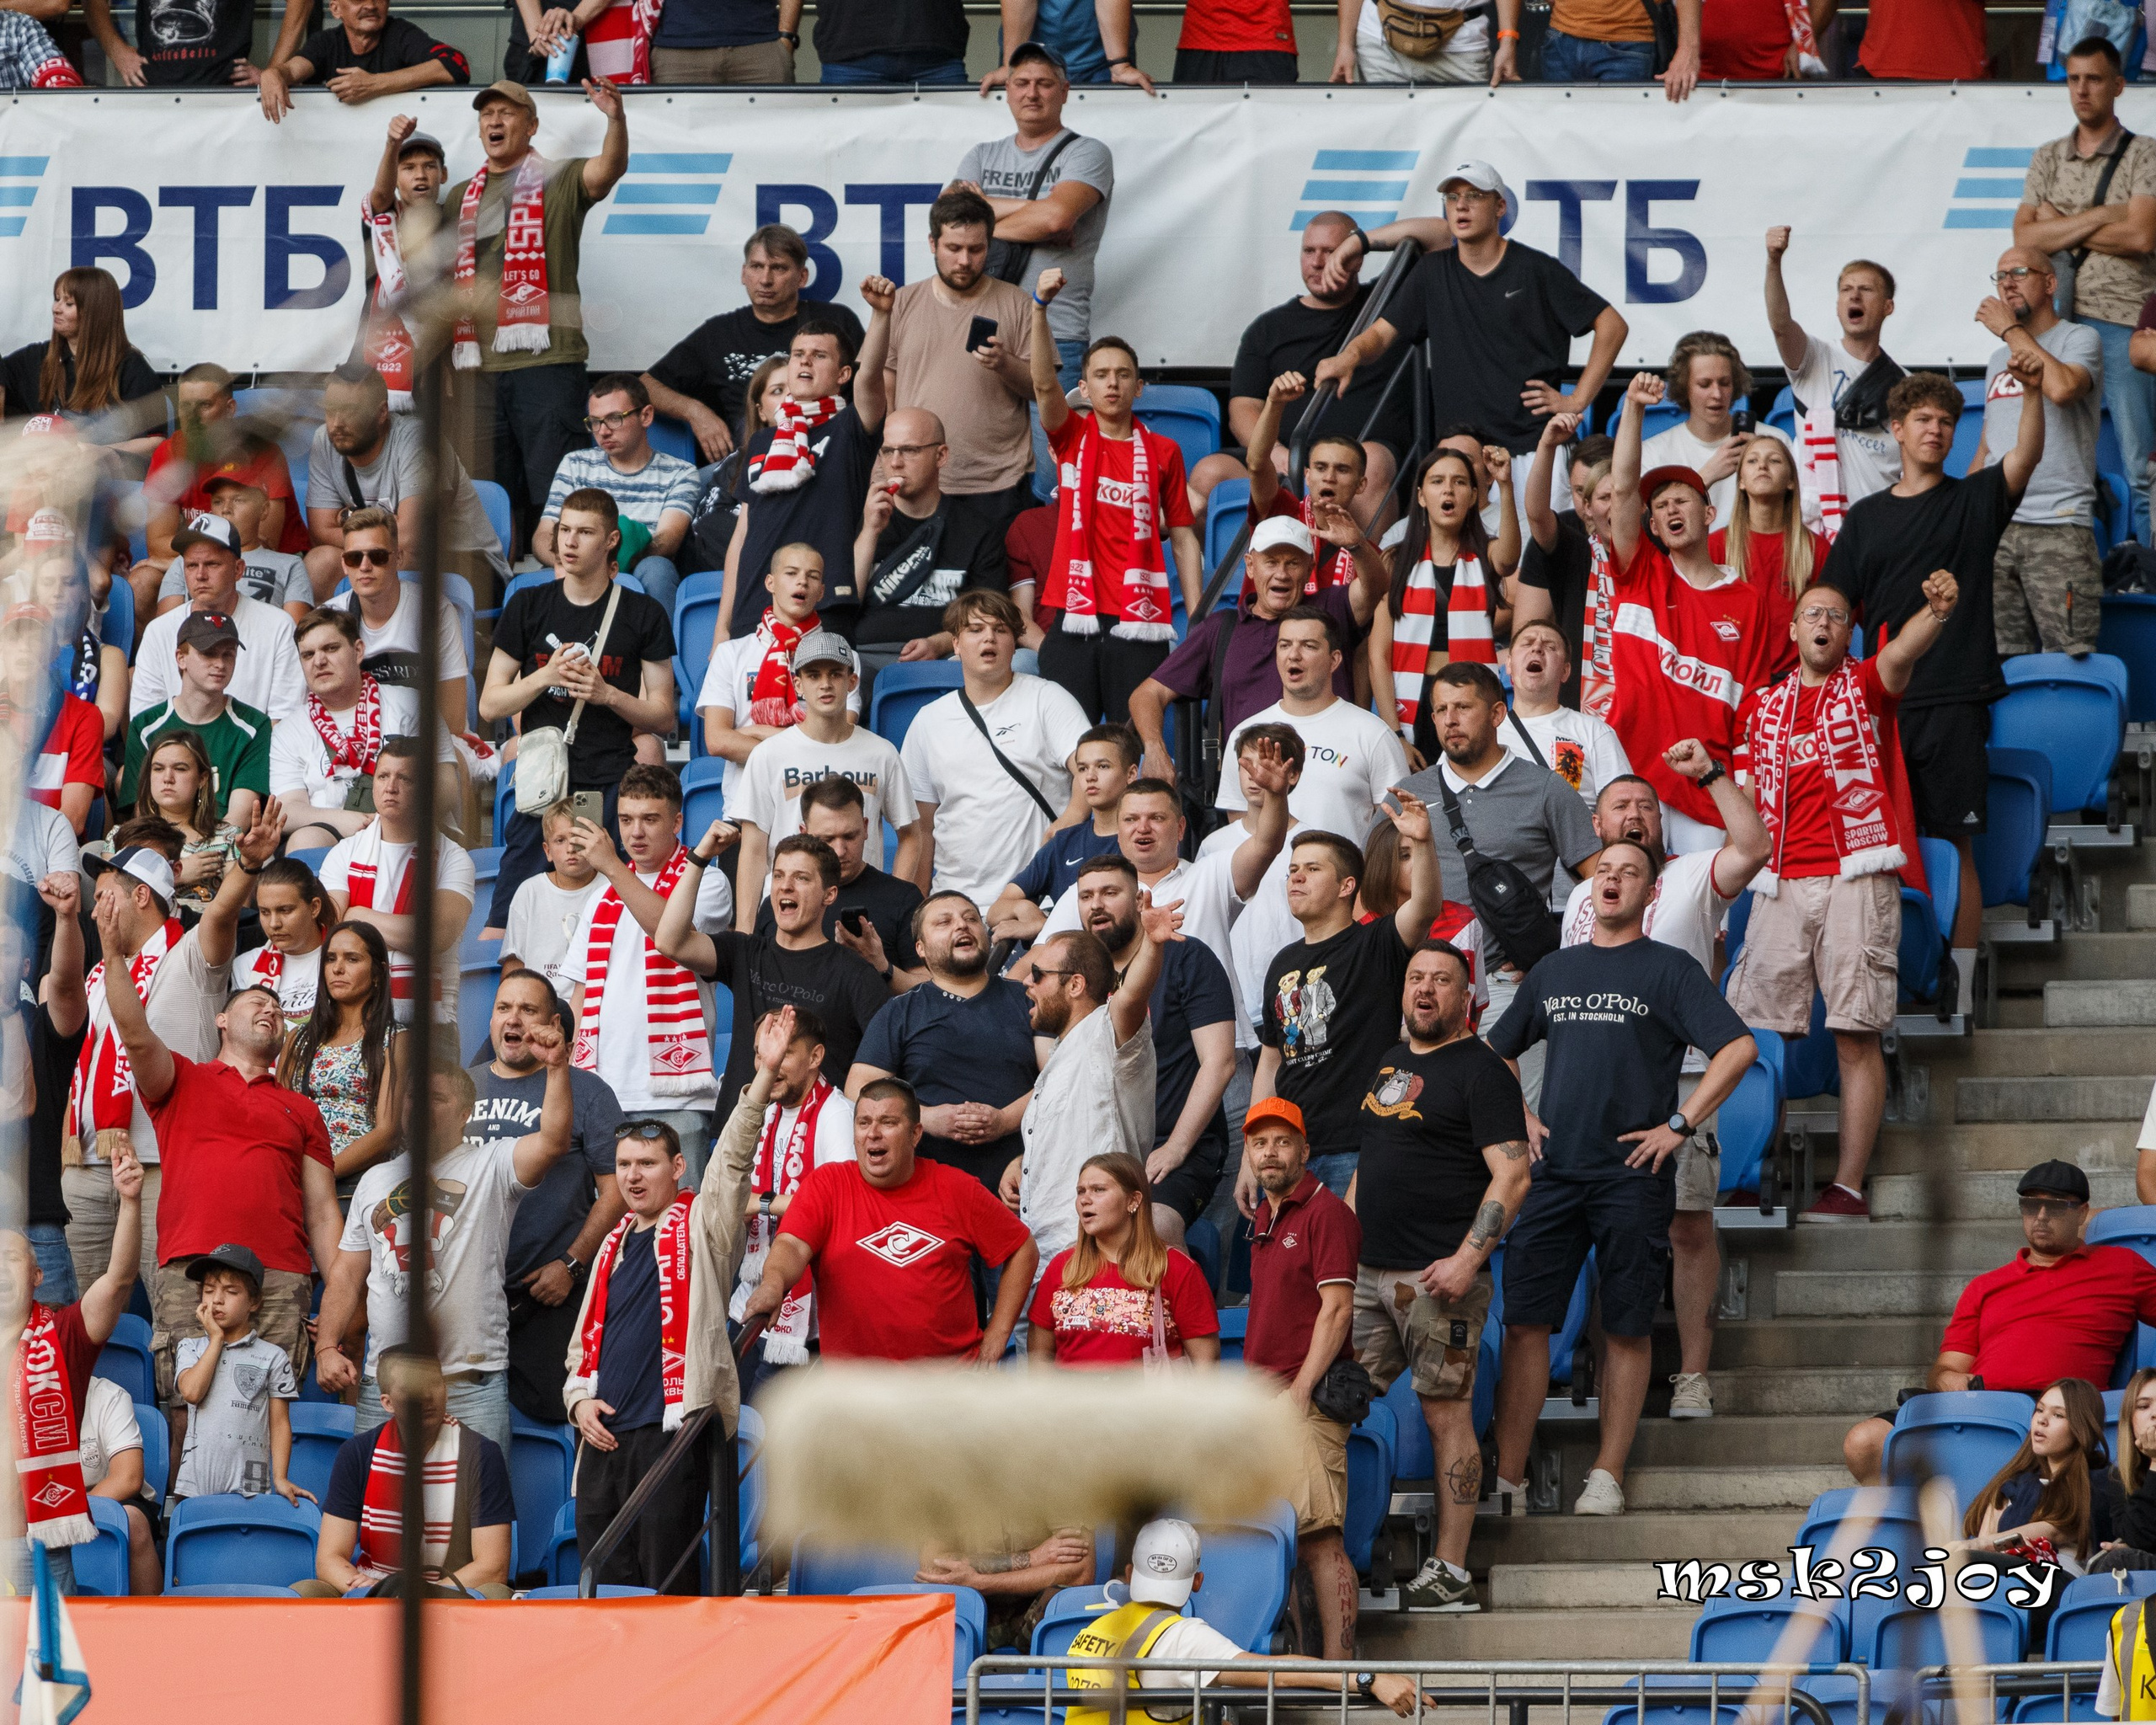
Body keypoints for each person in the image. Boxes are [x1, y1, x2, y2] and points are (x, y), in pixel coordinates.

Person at [1486, 840, 1755, 1517]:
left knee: (1628, 1327)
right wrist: (1521, 1116)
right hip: (1554, 1173)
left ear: (1649, 894)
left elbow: (1739, 1046)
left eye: (1628, 874)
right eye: (1603, 872)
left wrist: (1681, 1124)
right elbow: (1495, 1052)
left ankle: (1606, 1474)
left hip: (1633, 1174)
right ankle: (1509, 1481)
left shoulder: (1671, 970)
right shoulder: (1554, 969)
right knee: (1524, 1323)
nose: (1612, 881)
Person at [1729, 570, 1959, 1222]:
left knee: (1855, 1034)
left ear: (1844, 632)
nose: (1823, 621)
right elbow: (1748, 805)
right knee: (1757, 1036)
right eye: (1812, 614)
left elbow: (1899, 654)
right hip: (1779, 879)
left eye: (1834, 613)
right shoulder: (1762, 708)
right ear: (1796, 630)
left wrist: (1934, 613)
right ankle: (1749, 1173)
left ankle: (1848, 1187)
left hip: (1857, 872)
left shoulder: (1863, 686)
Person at [1558, 757, 1769, 1419]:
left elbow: (1756, 846)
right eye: (1620, 806)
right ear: (1596, 822)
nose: (1634, 815)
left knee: (1686, 1226)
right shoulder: (1581, 894)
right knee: (1591, 1226)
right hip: (1589, 1090)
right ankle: (1596, 1370)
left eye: (1646, 806)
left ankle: (1692, 1375)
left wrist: (1709, 776)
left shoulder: (1689, 874)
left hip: (1677, 1088)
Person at [1822, 369, 2044, 1001]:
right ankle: (1894, 972)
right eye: (1923, 419)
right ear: (1897, 430)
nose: (1936, 430)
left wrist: (2031, 395)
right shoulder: (1864, 519)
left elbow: (2024, 457)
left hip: (1956, 700)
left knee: (1955, 843)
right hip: (1881, 708)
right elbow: (1833, 608)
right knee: (1879, 849)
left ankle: (1962, 985)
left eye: (1946, 422)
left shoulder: (1975, 499)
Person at [96, 872, 344, 1411]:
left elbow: (324, 1215)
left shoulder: (301, 1108)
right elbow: (135, 1034)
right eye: (256, 1001)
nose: (270, 1008)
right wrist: (114, 956)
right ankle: (186, 1503)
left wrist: (342, 1301)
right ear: (221, 1019)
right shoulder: (182, 1079)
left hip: (280, 1277)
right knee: (186, 1413)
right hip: (191, 1270)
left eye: (277, 1008)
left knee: (271, 1420)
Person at [1351, 943, 1528, 1608]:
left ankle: (1450, 1571)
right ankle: (1337, 1544)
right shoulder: (1393, 1061)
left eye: (1442, 981)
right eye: (1416, 978)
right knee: (1332, 1403)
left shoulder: (1482, 1072)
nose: (1425, 990)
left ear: (1466, 998)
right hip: (1367, 1275)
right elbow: (1372, 1161)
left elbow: (1514, 1175)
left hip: (1436, 1280)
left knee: (1446, 1414)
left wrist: (1466, 1260)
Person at [562, 1017, 758, 1594]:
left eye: (646, 1164)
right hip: (602, 1436)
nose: (633, 1175)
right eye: (624, 1165)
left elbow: (732, 1167)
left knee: (665, 1585)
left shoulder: (703, 1226)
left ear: (677, 1168)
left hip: (668, 1435)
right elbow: (579, 1352)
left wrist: (763, 1078)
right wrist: (579, 1406)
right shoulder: (612, 1243)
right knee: (601, 1586)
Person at [317, 1028, 577, 1455]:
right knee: (378, 1512)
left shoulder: (492, 1163)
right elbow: (346, 1276)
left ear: (464, 1113)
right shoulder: (375, 1179)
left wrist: (556, 1069)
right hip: (386, 1388)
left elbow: (553, 1141)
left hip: (471, 1384)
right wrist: (327, 1346)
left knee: (478, 1513)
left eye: (435, 1100)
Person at [1315, 165, 1627, 510]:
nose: (1461, 206)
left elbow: (1612, 326)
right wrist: (1350, 356)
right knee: (1465, 561)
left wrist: (1577, 399)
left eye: (1474, 196)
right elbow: (1380, 335)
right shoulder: (1431, 273)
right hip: (1459, 461)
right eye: (1452, 197)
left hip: (1531, 452)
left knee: (1536, 560)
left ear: (1500, 207)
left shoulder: (1537, 269)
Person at [67, 814, 275, 1299]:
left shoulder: (191, 955)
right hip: (90, 1167)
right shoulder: (100, 973)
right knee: (84, 1320)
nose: (96, 905)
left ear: (141, 896)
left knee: (176, 1312)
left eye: (106, 894)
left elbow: (222, 914)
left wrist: (245, 864)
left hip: (167, 1165)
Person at [1843, 1162, 2156, 1483]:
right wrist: (1948, 1379)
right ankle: (1911, 1528)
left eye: (2057, 1207)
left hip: (2060, 1408)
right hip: (1979, 1404)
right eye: (2032, 1205)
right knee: (1864, 1442)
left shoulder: (2122, 1267)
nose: (2042, 1216)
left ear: (2082, 1213)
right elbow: (1946, 1367)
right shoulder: (1986, 1285)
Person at [442, 77, 629, 558]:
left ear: (531, 126)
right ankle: (496, 610)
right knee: (487, 501)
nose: (494, 122)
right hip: (476, 371)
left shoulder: (560, 177)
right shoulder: (460, 195)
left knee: (556, 495)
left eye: (506, 113)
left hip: (548, 365)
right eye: (487, 115)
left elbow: (608, 170)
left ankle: (562, 596)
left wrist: (615, 119)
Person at [1395, 661, 1600, 1088]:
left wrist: (1554, 957)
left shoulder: (1546, 788)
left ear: (1496, 714)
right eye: (1440, 709)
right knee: (1431, 1132)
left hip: (1508, 988)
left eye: (1463, 707)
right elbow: (1372, 891)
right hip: (1420, 989)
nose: (1450, 720)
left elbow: (1602, 886)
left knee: (1518, 1131)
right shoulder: (1408, 793)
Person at [481, 487, 678, 927]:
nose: (569, 542)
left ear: (610, 540)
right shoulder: (528, 604)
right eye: (564, 530)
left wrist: (608, 694)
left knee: (602, 921)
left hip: (605, 781)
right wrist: (545, 677)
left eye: (584, 532)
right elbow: (491, 703)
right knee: (505, 924)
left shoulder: (642, 613)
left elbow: (663, 715)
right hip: (542, 784)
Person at [744, 1076, 1041, 1360]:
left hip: (948, 1390)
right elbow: (792, 1246)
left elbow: (1022, 1248)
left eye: (888, 1122)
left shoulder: (956, 1188)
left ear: (915, 1134)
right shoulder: (827, 1185)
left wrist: (999, 1333)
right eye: (864, 1123)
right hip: (858, 1395)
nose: (873, 1133)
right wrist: (773, 1284)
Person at [1603, 372, 1771, 852]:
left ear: (1708, 512)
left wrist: (1746, 786)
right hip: (1633, 783)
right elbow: (1620, 491)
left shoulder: (1747, 599)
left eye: (1682, 500)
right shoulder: (1639, 571)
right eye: (1659, 506)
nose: (1670, 510)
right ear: (1652, 524)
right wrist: (1632, 407)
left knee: (1699, 923)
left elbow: (1753, 702)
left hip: (1706, 792)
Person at [1246, 796, 1441, 1199]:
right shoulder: (1283, 961)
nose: (1296, 879)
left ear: (1346, 886)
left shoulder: (1376, 943)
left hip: (1355, 1147)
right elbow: (1271, 1059)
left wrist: (1421, 844)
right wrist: (1256, 1147)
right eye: (1293, 871)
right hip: (1290, 1149)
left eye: (1312, 869)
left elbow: (1424, 907)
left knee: (1345, 1263)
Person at [1028, 274, 1202, 723]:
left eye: (1123, 375)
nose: (1113, 384)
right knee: (1071, 746)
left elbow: (1182, 536)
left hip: (1138, 621)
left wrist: (1198, 612)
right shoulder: (1072, 436)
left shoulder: (1165, 451)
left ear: (1139, 386)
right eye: (1101, 375)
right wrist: (1040, 309)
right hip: (1073, 615)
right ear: (1084, 388)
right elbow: (1045, 386)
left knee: (1127, 744)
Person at [1063, 1519, 1439, 1722]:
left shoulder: (1088, 1632)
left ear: (1129, 1573)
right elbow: (1284, 1672)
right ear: (1197, 1581)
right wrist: (1369, 1679)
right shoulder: (1181, 1639)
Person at [560, 765, 733, 1183]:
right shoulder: (602, 894)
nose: (635, 832)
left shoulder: (707, 882)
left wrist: (613, 869)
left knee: (679, 1223)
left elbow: (669, 933)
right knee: (612, 1231)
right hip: (604, 1088)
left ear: (677, 822)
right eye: (625, 820)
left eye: (650, 819)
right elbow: (580, 993)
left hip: (679, 1094)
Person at [2017, 35, 2156, 548]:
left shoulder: (2145, 154)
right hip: (2058, 326)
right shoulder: (2047, 156)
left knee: (2142, 464)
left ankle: (2151, 574)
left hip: (2124, 325)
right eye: (2073, 79)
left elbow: (2142, 236)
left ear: (2118, 85)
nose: (2082, 90)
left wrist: (2065, 221)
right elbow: (2024, 239)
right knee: (2058, 464)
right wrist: (2105, 218)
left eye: (2094, 79)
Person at [1034, 762, 1294, 1033]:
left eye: (1156, 818)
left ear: (1180, 828)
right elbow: (1041, 962)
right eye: (1131, 819)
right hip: (1125, 1051)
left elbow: (1266, 844)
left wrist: (1276, 796)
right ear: (1118, 832)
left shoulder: (1211, 874)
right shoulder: (1089, 892)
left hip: (1212, 1039)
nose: (1142, 828)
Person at [472, 971, 627, 1423]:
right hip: (470, 1296)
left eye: (528, 1010)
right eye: (503, 1008)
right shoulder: (462, 1088)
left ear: (554, 1023)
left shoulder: (589, 1092)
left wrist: (573, 1264)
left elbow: (615, 1194)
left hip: (548, 1294)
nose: (512, 1019)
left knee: (556, 1415)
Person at [1059, 857, 1237, 1247]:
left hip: (1173, 1148)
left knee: (1149, 1232)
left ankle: (1175, 1309)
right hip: (1094, 1149)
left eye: (1110, 893)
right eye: (1086, 896)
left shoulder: (1187, 956)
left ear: (1141, 899)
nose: (1096, 905)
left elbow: (1220, 1061)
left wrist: (1176, 1146)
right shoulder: (1077, 977)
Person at [1241, 1097, 1364, 1659]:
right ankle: (1310, 1667)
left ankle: (1340, 1672)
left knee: (1319, 1541)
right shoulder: (1265, 1217)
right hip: (1268, 1401)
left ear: (1305, 1151)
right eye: (1260, 1142)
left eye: (1282, 1141)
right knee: (1282, 1545)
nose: (1271, 1152)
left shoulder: (1325, 1212)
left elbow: (1336, 1311)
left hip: (1302, 1399)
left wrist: (1297, 1393)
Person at [1129, 517, 1380, 785]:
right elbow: (1148, 693)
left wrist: (1357, 546)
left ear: (1310, 568)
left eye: (1292, 563)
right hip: (1249, 789)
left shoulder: (1332, 608)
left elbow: (1376, 586)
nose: (1281, 573)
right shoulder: (1222, 628)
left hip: (1328, 779)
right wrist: (1155, 749)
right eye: (1271, 562)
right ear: (1250, 566)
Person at [657, 828, 889, 1117]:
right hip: (739, 1132)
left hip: (812, 1141)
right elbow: (669, 942)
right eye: (778, 875)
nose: (785, 886)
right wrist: (699, 858)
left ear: (829, 895)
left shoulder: (856, 974)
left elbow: (888, 1059)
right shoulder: (744, 951)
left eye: (801, 878)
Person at [0, 1150, 143, 1594]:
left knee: (46, 1663)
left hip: (35, 1544)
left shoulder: (62, 1338)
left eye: (11, 1257)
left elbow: (118, 1281)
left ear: (38, 1275)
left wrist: (132, 1202)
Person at [901, 589, 1091, 912]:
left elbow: (1092, 766)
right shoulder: (928, 721)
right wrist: (917, 910)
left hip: (1040, 901)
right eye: (976, 630)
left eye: (1000, 630)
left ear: (1014, 642)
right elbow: (922, 829)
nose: (989, 638)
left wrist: (1071, 818)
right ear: (956, 644)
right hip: (955, 905)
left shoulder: (1048, 698)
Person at [1203, 214, 1408, 511]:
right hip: (1285, 462)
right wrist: (1277, 455)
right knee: (1209, 473)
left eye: (1331, 252)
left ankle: (1354, 559)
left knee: (1372, 462)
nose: (1317, 262)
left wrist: (1360, 241)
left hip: (1359, 461)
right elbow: (1242, 409)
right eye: (1309, 251)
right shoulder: (1268, 328)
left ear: (1355, 258)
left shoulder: (1385, 304)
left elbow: (1440, 235)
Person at [1010, 891, 1170, 1263]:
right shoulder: (1060, 1054)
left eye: (1037, 974)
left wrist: (1152, 945)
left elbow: (1131, 997)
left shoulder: (1107, 1032)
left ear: (1076, 985)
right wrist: (1021, 1164)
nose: (1026, 984)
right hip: (1043, 1255)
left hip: (1097, 1256)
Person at [721, 308, 894, 642]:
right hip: (754, 610)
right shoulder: (762, 441)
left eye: (819, 356)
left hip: (822, 608)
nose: (805, 362)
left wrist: (881, 315)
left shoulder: (850, 429)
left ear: (844, 374)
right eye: (798, 355)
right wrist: (722, 627)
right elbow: (741, 537)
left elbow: (870, 376)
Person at [850, 892, 1038, 1191]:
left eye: (971, 919)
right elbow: (859, 1091)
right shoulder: (900, 1011)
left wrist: (1004, 1121)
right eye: (944, 922)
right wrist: (927, 1118)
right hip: (929, 1191)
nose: (962, 926)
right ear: (920, 949)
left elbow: (1061, 1080)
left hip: (1022, 1184)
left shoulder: (1030, 998)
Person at [727, 633, 916, 927]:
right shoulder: (768, 755)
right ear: (798, 684)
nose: (825, 684)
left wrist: (891, 906)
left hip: (861, 911)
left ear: (852, 682)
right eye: (814, 675)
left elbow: (911, 834)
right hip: (787, 911)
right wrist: (745, 929)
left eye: (835, 674)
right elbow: (753, 849)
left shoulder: (882, 753)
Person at [1972, 248, 2105, 658]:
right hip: (1998, 526)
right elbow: (1987, 446)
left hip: (2059, 527)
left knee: (2069, 659)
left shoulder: (2079, 338)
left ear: (2050, 284)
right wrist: (1966, 518)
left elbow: (2063, 389)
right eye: (1999, 276)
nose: (2007, 283)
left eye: (2018, 272)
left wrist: (2011, 330)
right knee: (1998, 664)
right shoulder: (1998, 359)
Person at [300, 1346, 516, 1598]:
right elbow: (329, 1558)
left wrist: (419, 1594)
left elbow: (493, 1567)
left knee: (497, 1593)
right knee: (306, 1591)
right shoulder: (357, 1452)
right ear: (387, 1403)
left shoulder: (482, 1454)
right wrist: (373, 1588)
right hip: (376, 1588)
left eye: (434, 1383)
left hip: (452, 1590)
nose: (425, 1395)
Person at [954, 42, 1115, 381]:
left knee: (1052, 436)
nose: (1032, 93)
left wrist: (982, 220)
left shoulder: (1087, 152)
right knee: (979, 435)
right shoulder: (982, 155)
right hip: (983, 325)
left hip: (1057, 332)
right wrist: (1036, 211)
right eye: (1021, 83)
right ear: (1008, 91)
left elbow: (1055, 219)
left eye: (1044, 83)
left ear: (1065, 92)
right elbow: (950, 221)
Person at [641, 225, 866, 465]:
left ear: (802, 277)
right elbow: (645, 386)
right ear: (743, 273)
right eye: (757, 267)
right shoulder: (718, 333)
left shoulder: (836, 322)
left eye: (778, 268)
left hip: (825, 456)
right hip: (743, 464)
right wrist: (695, 412)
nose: (765, 280)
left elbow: (873, 388)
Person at [884, 190, 1038, 522]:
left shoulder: (1019, 303)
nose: (965, 261)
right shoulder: (901, 303)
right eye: (954, 248)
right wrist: (881, 466)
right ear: (932, 243)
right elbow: (884, 391)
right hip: (917, 483)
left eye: (976, 249)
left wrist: (1005, 363)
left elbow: (1042, 389)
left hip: (998, 482)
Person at [303, 363, 509, 601]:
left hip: (467, 565)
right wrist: (389, 528)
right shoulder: (324, 441)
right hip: (389, 555)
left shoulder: (418, 440)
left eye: (350, 411)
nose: (337, 423)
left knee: (398, 557)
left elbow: (413, 538)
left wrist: (350, 520)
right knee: (321, 562)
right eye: (331, 410)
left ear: (382, 413)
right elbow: (320, 533)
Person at [851, 408, 1018, 696]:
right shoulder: (862, 520)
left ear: (941, 456)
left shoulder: (977, 530)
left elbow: (992, 614)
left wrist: (940, 642)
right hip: (865, 656)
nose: (895, 463)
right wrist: (869, 532)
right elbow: (843, 605)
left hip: (948, 657)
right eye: (887, 451)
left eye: (909, 450)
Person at [730, 1007, 854, 1383]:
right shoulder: (762, 1113)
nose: (768, 1063)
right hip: (747, 1303)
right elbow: (724, 1197)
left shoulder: (836, 1113)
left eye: (783, 1053)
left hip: (808, 1318)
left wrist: (763, 1202)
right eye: (760, 1052)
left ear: (815, 1057)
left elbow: (840, 1203)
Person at [1369, 447, 1516, 765]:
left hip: (1470, 697)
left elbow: (1509, 559)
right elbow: (1379, 656)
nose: (1448, 489)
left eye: (1460, 482)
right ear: (1422, 496)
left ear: (1475, 495)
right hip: (1415, 699)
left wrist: (1505, 485)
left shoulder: (1486, 553)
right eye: (1437, 481)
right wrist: (1394, 734)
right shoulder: (1396, 560)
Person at [320, 740, 478, 1028]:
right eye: (383, 776)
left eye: (404, 778)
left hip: (429, 1028)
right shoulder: (344, 852)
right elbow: (329, 927)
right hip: (354, 1018)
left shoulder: (453, 859)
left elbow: (435, 936)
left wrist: (357, 915)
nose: (390, 787)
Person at [1221, 606, 1407, 844]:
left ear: (1334, 660)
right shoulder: (1247, 732)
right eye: (1285, 645)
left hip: (1346, 879)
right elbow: (1237, 818)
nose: (1294, 655)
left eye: (1308, 646)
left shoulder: (1373, 733)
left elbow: (1394, 824)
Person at [1763, 229, 1905, 538]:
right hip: (1817, 533)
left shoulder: (1904, 383)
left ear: (1888, 307)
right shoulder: (1814, 357)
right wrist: (1774, 261)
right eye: (1846, 290)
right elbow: (1780, 325)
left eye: (1866, 289)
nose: (1854, 296)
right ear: (1838, 303)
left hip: (1881, 529)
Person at [274, 605, 451, 852]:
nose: (319, 661)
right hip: (333, 832)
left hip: (408, 827)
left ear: (358, 651)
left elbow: (446, 783)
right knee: (305, 842)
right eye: (308, 654)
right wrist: (346, 820)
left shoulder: (414, 705)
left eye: (331, 648)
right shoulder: (287, 731)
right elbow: (288, 810)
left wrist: (390, 823)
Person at [1027, 1153, 1221, 1366]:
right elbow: (1039, 1357)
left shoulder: (1176, 1268)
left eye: (1098, 1189)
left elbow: (1206, 1362)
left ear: (1133, 1200)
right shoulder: (1061, 1267)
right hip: (1071, 1400)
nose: (1085, 1199)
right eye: (1080, 1191)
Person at [697, 543, 851, 809]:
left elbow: (834, 741)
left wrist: (757, 732)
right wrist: (802, 750)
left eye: (813, 576)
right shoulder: (731, 653)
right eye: (791, 573)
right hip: (746, 806)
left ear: (822, 591)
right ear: (770, 582)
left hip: (818, 809)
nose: (802, 581)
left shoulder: (842, 659)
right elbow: (718, 740)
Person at [137, 363, 307, 601]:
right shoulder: (169, 452)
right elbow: (156, 543)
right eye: (186, 407)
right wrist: (199, 562)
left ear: (230, 409)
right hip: (202, 564)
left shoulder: (263, 452)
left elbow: (261, 544)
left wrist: (187, 556)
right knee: (142, 581)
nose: (193, 418)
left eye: (205, 405)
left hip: (269, 563)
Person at [535, 373, 701, 616]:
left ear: (646, 416)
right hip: (578, 563)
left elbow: (667, 541)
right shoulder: (575, 463)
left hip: (640, 565)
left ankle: (662, 653)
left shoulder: (681, 473)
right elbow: (542, 536)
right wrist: (567, 562)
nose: (602, 432)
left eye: (614, 419)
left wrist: (609, 565)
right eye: (594, 421)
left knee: (658, 569)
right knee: (541, 577)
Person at [131, 515, 306, 729]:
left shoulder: (279, 625)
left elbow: (285, 720)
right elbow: (145, 720)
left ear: (238, 570)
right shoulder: (159, 630)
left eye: (212, 564)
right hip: (176, 756)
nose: (201, 575)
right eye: (191, 566)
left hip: (253, 757)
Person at [170, 1243, 308, 1505]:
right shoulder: (190, 1347)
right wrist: (216, 1339)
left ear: (255, 1302)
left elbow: (279, 1424)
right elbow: (192, 1392)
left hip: (250, 1487)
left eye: (231, 1292)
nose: (217, 1300)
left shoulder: (273, 1356)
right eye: (208, 1291)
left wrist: (280, 1476)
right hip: (195, 1485)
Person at [275, 920, 408, 1194]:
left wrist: (320, 1177)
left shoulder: (396, 1039)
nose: (337, 968)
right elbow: (280, 1118)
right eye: (331, 959)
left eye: (352, 959)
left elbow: (387, 1133)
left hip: (362, 1184)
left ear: (377, 973)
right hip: (296, 1178)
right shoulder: (298, 1039)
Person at [755, 777, 926, 982]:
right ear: (805, 833)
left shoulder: (903, 899)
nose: (840, 851)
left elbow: (929, 990)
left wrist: (881, 966)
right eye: (827, 839)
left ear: (865, 828)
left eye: (849, 836)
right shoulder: (782, 901)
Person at [1953, 1378, 2121, 1580]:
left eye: (2058, 1415)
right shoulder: (2012, 1483)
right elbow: (1984, 1544)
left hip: (2058, 1582)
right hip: (2007, 1581)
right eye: (2040, 1410)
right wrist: (1976, 1548)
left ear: (2081, 1427)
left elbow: (2055, 1531)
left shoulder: (2101, 1480)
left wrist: (1975, 1546)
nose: (2042, 1420)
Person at [1240, 373, 1397, 585]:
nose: (1329, 477)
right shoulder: (1283, 513)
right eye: (1321, 468)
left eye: (1342, 470)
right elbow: (1257, 465)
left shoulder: (1367, 555)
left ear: (1361, 485)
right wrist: (1274, 404)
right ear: (1307, 475)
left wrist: (1357, 547)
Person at [323, 507, 473, 728]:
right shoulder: (328, 619)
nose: (365, 566)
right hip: (357, 741)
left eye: (378, 556)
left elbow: (454, 719)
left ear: (399, 558)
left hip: (428, 740)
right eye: (355, 558)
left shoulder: (434, 612)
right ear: (344, 564)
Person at [120, 610, 270, 833]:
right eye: (208, 653)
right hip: (161, 843)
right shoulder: (146, 726)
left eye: (228, 654)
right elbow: (144, 812)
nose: (220, 663)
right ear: (181, 658)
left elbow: (241, 815)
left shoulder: (254, 725)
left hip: (225, 848)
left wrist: (202, 852)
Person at [986, 724, 1136, 939]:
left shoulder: (1144, 840)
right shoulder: (1063, 842)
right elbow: (996, 911)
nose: (1090, 777)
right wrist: (1026, 910)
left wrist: (1046, 927)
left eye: (1103, 766)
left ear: (1131, 774)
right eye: (1083, 768)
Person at [1640, 331, 1796, 522]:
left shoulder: (1774, 440)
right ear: (1684, 387)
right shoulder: (1655, 451)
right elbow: (1647, 526)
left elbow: (1798, 512)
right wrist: (1705, 476)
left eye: (1725, 383)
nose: (1717, 394)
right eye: (1704, 385)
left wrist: (1766, 461)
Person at [1514, 421, 1617, 707]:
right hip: (1578, 698)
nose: (1605, 507)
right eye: (1581, 492)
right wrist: (1547, 446)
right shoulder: (1572, 544)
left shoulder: (1652, 538)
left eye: (1614, 495)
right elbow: (1536, 513)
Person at [1710, 436, 1828, 684]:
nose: (1763, 466)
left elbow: (1832, 627)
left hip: (1796, 684)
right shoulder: (1715, 546)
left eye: (1774, 460)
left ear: (1791, 482)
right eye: (1752, 461)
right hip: (1731, 684)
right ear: (1741, 481)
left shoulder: (1815, 549)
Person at [0, 268, 162, 435]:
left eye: (69, 304)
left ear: (95, 311)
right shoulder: (38, 357)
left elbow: (154, 440)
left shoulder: (130, 366)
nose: (56, 308)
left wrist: (100, 452)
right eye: (57, 299)